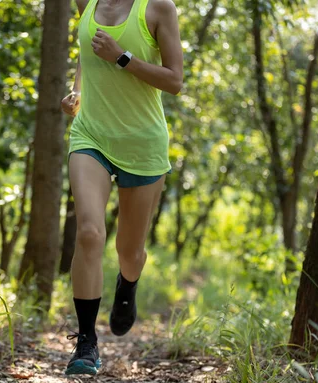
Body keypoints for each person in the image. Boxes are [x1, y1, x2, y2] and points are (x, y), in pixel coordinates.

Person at [60, 0, 183, 376]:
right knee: (90, 233)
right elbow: (87, 48)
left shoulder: (158, 8)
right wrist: (77, 90)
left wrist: (122, 57)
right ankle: (85, 343)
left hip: (142, 144)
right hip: (91, 136)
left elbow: (175, 81)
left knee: (129, 252)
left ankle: (128, 284)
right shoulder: (87, 2)